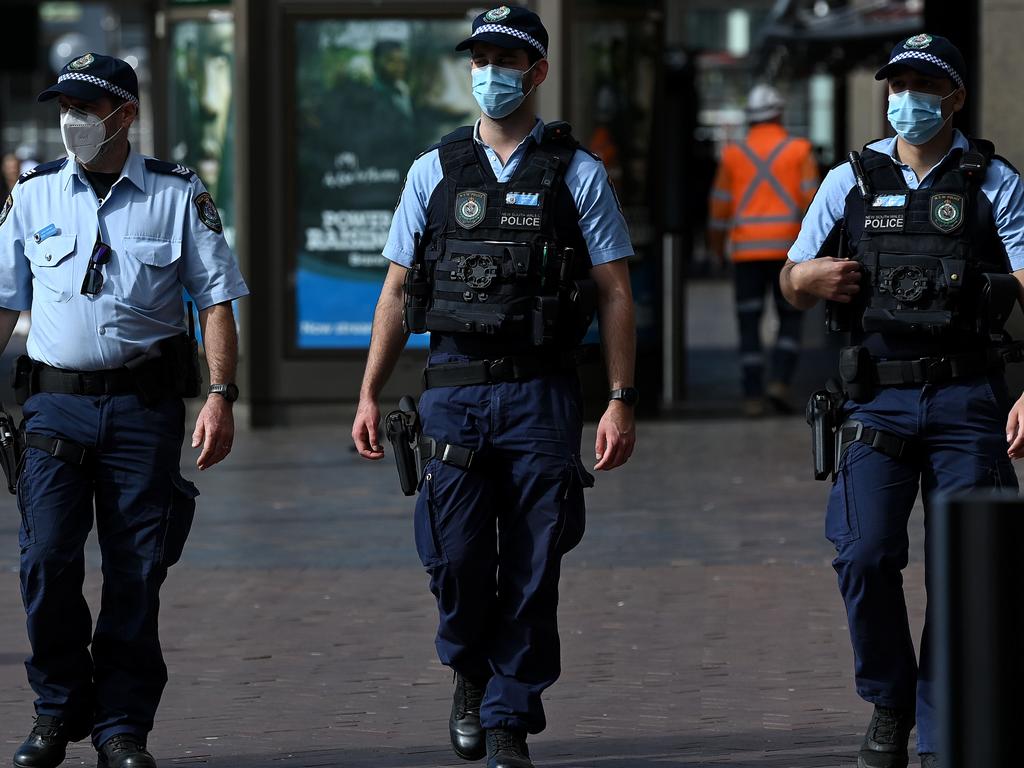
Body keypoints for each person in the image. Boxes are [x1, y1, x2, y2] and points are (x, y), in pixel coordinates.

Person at [350, 7, 637, 767]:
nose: (490, 74)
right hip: (454, 390)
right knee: (455, 557)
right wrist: (369, 391)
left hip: (541, 394)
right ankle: (469, 670)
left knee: (536, 559)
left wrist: (619, 397)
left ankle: (510, 710)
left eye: (506, 61)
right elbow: (396, 288)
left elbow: (614, 291)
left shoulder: (576, 171)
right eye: (480, 59)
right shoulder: (433, 169)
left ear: (536, 72)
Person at [780, 34, 1024, 768]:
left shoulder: (993, 181)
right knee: (862, 555)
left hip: (967, 400)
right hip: (874, 405)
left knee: (965, 571)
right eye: (897, 84)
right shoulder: (848, 179)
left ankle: (944, 732)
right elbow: (791, 277)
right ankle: (889, 700)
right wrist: (809, 281)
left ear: (954, 97)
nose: (906, 99)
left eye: (924, 85)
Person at [0, 53, 249, 768]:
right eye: (63, 107)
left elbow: (216, 300)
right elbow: (3, 298)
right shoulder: (35, 192)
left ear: (125, 115)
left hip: (144, 411)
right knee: (46, 562)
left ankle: (120, 727)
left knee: (136, 573)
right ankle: (57, 708)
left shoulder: (177, 194)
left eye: (87, 107)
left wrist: (221, 394)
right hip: (54, 409)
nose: (72, 121)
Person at [709, 84, 819, 415]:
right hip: (789, 252)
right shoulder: (799, 150)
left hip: (746, 254)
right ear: (779, 113)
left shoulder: (732, 155)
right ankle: (780, 383)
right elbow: (813, 204)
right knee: (789, 317)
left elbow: (718, 211)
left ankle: (752, 395)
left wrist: (717, 251)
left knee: (748, 322)